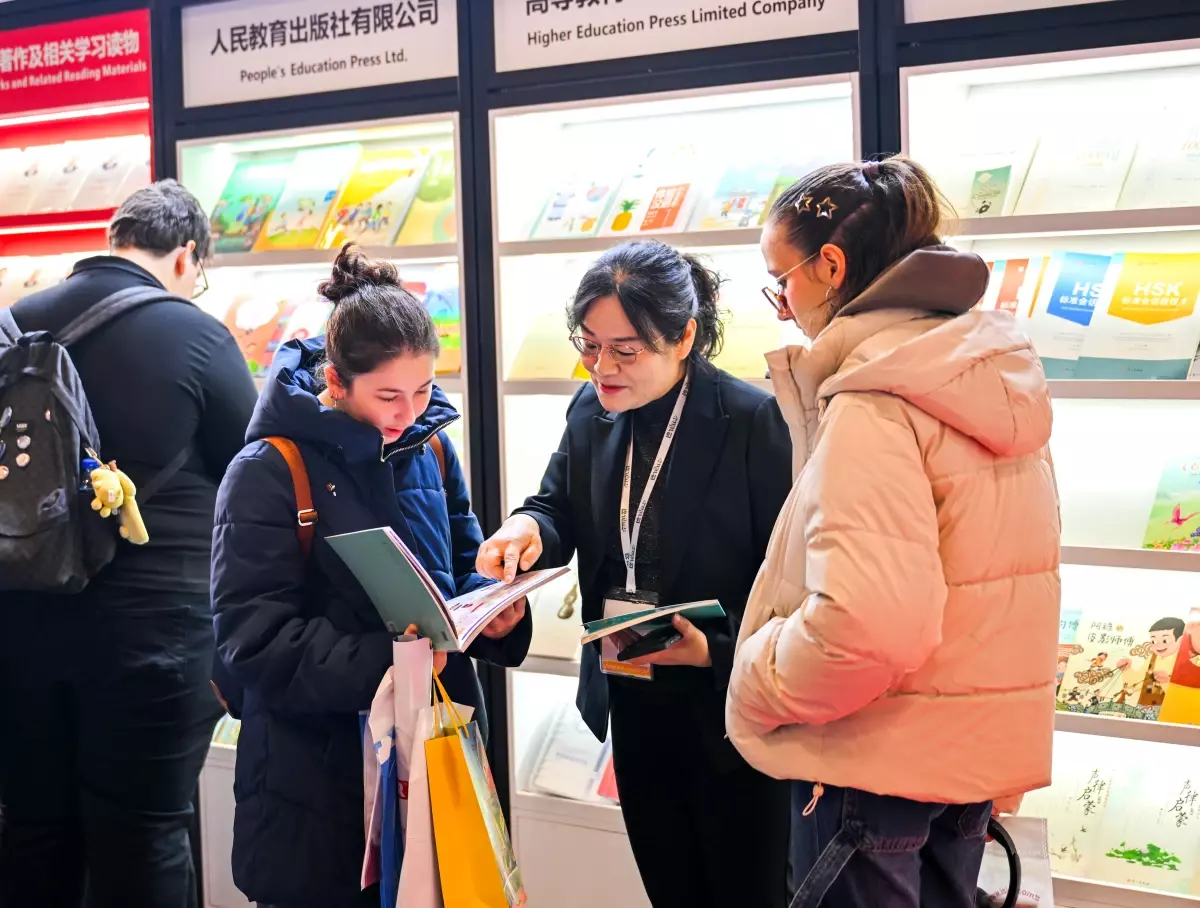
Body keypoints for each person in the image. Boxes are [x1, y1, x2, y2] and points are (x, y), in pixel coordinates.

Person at [725, 157, 1061, 908]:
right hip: (957, 773)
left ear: (831, 266)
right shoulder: (985, 375)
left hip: (867, 771)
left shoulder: (875, 400)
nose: (784, 304)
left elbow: (867, 625)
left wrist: (755, 676)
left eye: (781, 282)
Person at [210, 244, 531, 908]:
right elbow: (253, 638)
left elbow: (462, 572)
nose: (409, 411)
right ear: (336, 381)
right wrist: (394, 660)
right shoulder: (271, 468)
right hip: (315, 785)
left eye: (422, 389)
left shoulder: (431, 447)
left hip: (431, 770)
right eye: (388, 394)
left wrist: (493, 613)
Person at [477, 240, 793, 908]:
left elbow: (791, 578)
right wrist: (525, 529)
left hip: (731, 706)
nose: (602, 367)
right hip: (633, 692)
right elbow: (557, 505)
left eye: (625, 350)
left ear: (683, 336)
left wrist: (719, 649)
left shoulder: (751, 419)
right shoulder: (591, 411)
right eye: (589, 345)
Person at [0, 180, 258, 907]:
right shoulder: (198, 336)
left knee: (34, 827)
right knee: (140, 832)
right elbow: (252, 469)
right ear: (186, 256)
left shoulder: (16, 324)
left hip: (20, 617)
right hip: (153, 636)